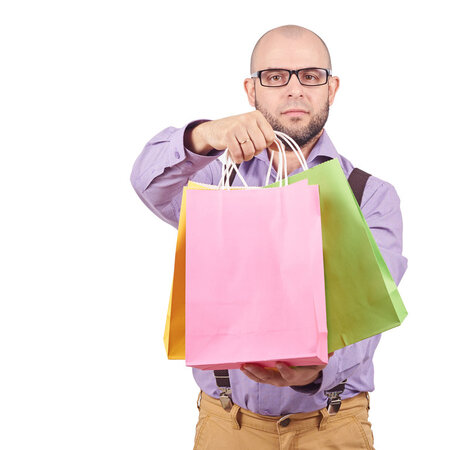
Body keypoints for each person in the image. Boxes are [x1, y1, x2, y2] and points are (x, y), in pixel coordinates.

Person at [131, 24, 407, 450]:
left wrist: (315, 373)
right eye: (276, 76)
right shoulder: (213, 180)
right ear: (251, 90)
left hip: (332, 428)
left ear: (331, 89)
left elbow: (368, 320)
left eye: (310, 75)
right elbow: (147, 182)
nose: (294, 89)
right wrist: (204, 136)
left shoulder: (370, 196)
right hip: (227, 426)